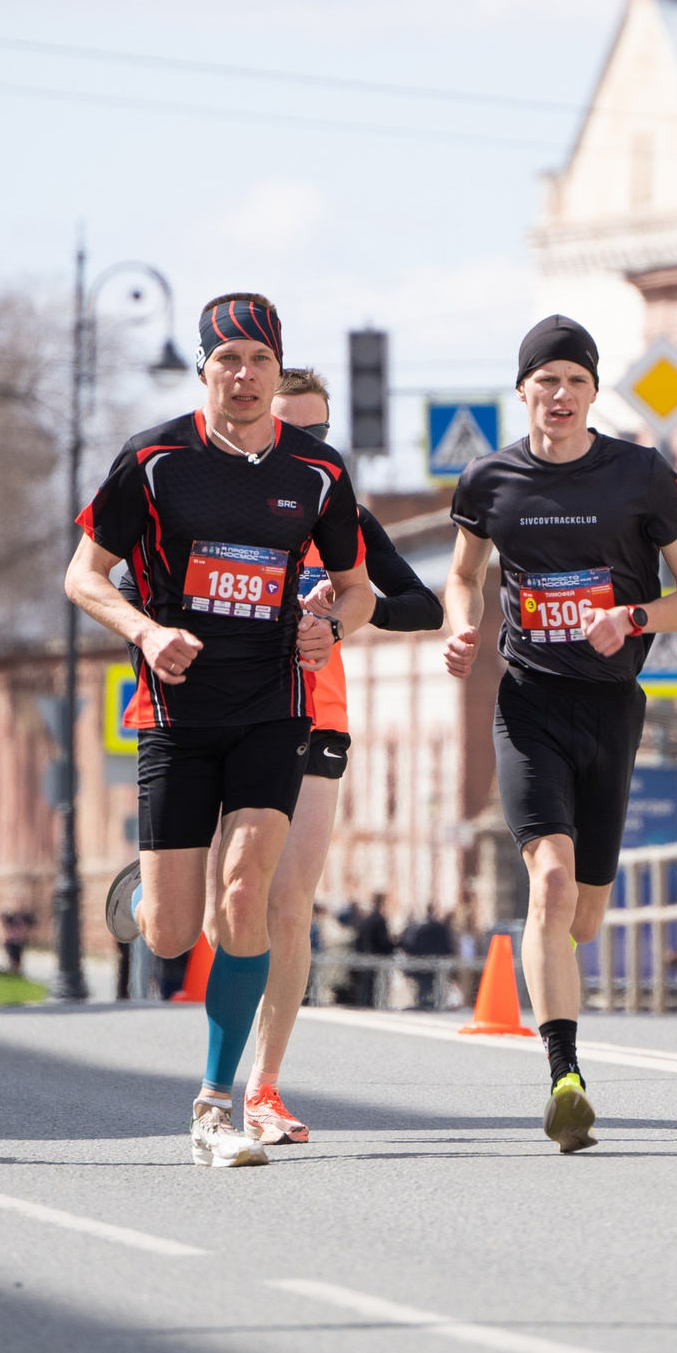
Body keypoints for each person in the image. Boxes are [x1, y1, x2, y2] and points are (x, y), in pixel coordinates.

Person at [68, 292, 373, 1168]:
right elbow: (84, 575)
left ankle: (215, 1101)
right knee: (169, 932)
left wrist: (332, 626)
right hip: (176, 712)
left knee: (247, 897)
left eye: (259, 363)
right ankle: (162, 880)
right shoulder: (156, 460)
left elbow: (356, 585)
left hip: (274, 706)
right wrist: (146, 630)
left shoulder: (315, 470)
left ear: (279, 374)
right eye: (227, 361)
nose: (243, 377)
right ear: (204, 369)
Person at [444, 314, 677, 1152]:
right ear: (521, 389)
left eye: (575, 380)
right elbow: (463, 574)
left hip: (611, 709)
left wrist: (634, 615)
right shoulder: (490, 480)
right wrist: (460, 626)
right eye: (545, 380)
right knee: (551, 885)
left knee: (585, 916)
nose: (559, 395)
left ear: (594, 392)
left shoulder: (639, 475)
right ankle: (565, 1076)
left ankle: (563, 1016)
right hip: (529, 704)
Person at [222, 365, 443, 1143]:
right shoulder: (213, 501)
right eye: (294, 430)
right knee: (230, 903)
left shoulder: (340, 517)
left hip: (318, 718)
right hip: (226, 717)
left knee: (290, 903)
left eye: (321, 434)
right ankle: (162, 876)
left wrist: (350, 606)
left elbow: (426, 604)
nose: (307, 446)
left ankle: (262, 1087)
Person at [401, 907, 457, 1009]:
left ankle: (423, 1003)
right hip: (438, 963)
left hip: (423, 963)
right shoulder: (442, 929)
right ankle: (437, 1004)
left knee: (424, 986)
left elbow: (414, 947)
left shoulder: (421, 930)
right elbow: (447, 947)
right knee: (438, 985)